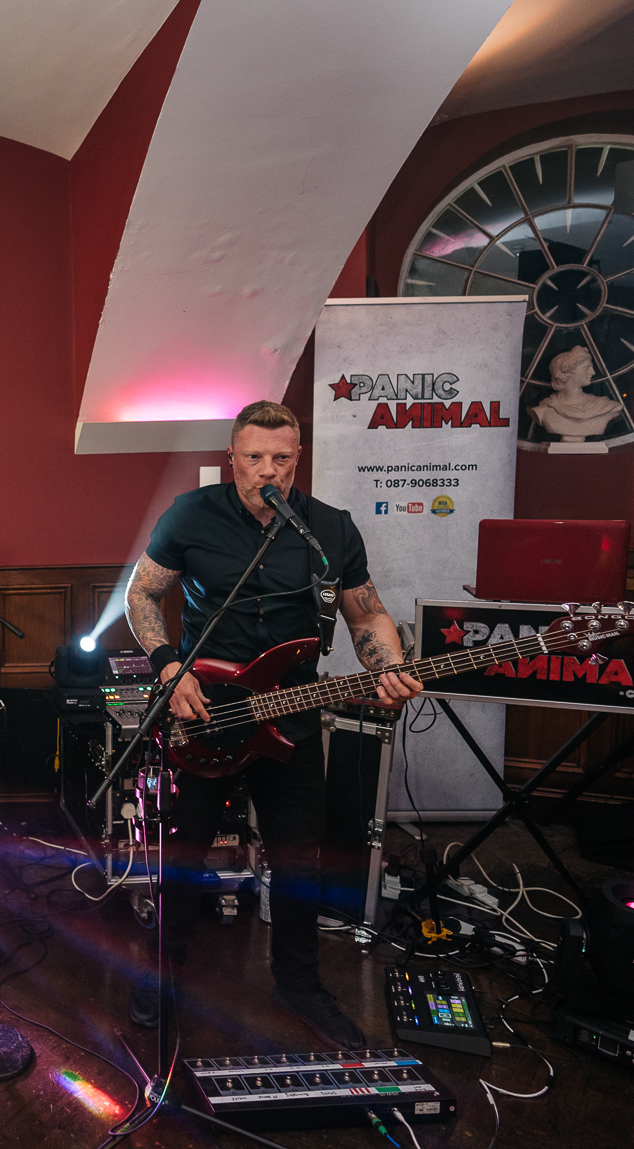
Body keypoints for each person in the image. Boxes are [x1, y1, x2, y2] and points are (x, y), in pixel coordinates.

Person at [124, 401, 422, 1049]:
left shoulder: (330, 531)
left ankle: (299, 982)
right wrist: (171, 669)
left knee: (297, 861)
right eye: (254, 457)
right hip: (207, 711)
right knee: (182, 857)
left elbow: (366, 615)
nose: (268, 470)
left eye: (281, 458)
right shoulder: (191, 516)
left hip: (293, 715)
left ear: (297, 460)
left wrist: (390, 664)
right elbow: (143, 593)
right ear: (232, 457)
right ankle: (161, 975)